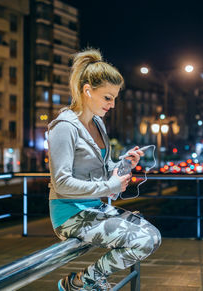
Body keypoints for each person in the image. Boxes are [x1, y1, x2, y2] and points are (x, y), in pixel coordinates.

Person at [47, 48, 161, 291]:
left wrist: (124, 163)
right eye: (107, 97)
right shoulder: (64, 127)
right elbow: (61, 183)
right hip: (70, 216)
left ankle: (84, 281)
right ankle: (81, 283)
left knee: (153, 235)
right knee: (144, 240)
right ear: (87, 90)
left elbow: (103, 168)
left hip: (95, 207)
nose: (112, 105)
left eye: (115, 98)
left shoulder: (97, 123)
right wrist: (110, 186)